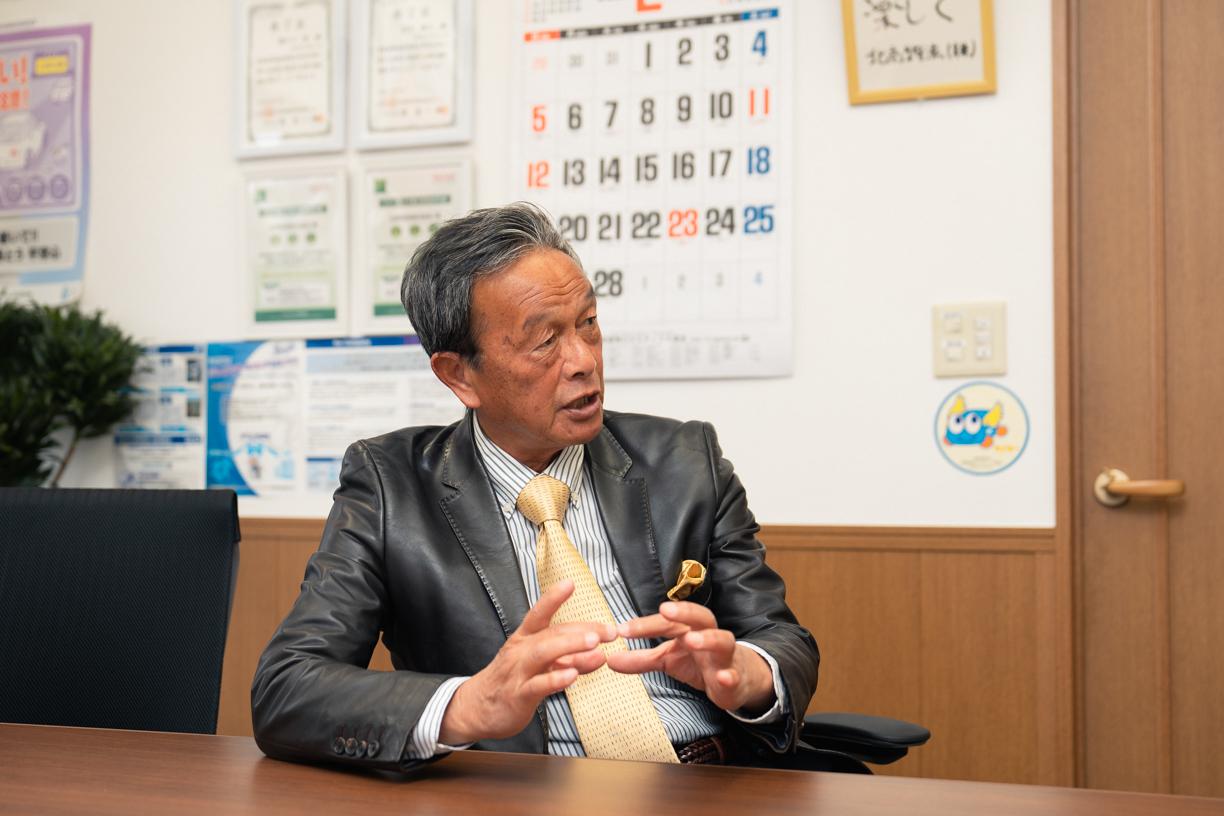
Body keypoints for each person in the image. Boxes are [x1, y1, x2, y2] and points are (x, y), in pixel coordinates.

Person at [251, 203, 819, 770]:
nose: (583, 360)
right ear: (459, 375)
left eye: (588, 322)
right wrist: (469, 705)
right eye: (545, 340)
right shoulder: (390, 488)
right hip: (519, 792)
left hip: (705, 779)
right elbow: (287, 687)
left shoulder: (686, 461)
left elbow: (781, 638)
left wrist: (745, 672)